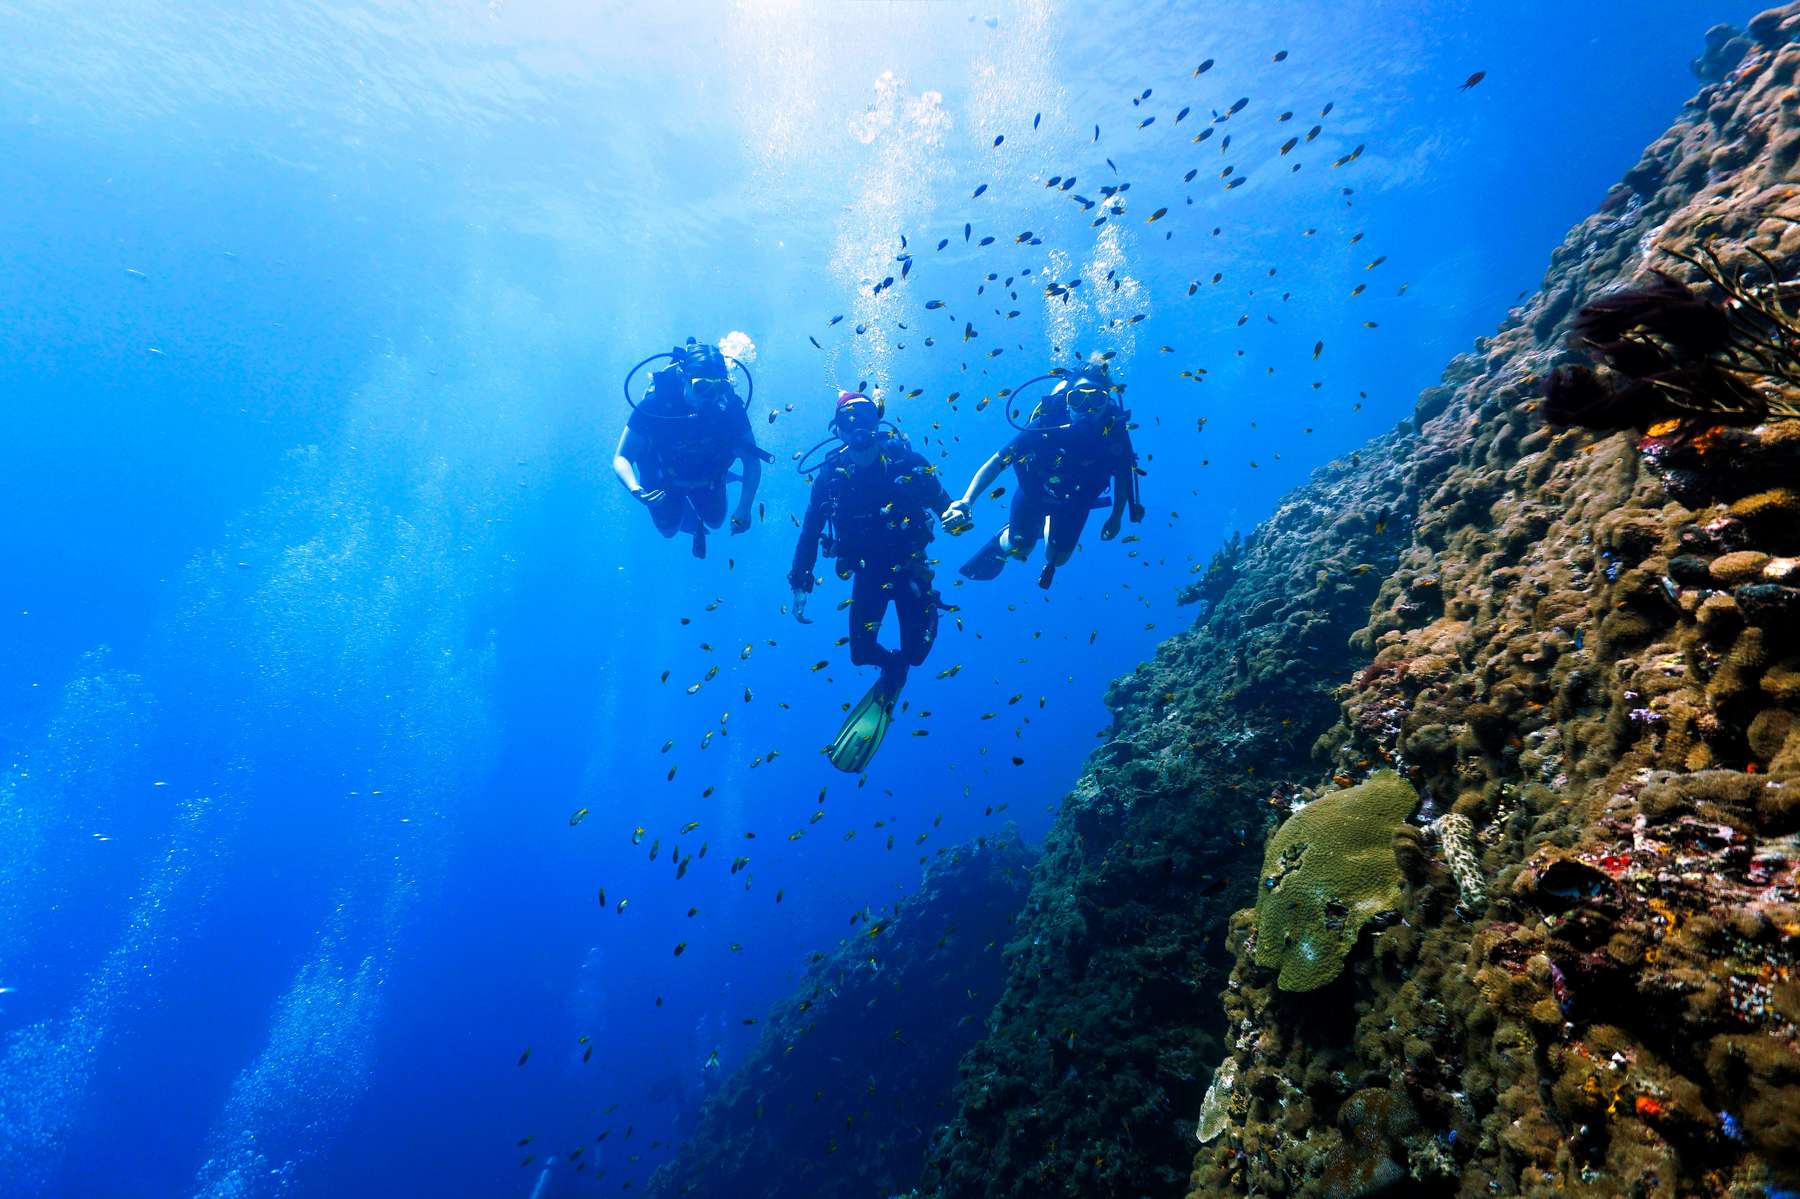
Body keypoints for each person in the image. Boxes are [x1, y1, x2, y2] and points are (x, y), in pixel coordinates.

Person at [788, 391, 953, 773]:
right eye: (848, 421)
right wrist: (800, 582)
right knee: (861, 653)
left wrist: (956, 514)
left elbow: (945, 504)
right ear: (837, 430)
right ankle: (892, 670)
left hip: (910, 568)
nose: (857, 427)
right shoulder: (829, 479)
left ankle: (922, 621)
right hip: (868, 572)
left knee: (917, 654)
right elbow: (809, 532)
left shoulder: (908, 462)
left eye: (863, 417)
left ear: (877, 420)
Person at [945, 363, 1142, 589]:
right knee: (1020, 547)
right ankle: (1006, 538)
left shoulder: (1115, 434)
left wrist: (1116, 517)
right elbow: (997, 462)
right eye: (1078, 398)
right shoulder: (1044, 425)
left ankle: (1045, 525)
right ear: (1066, 401)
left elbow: (1124, 476)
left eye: (1096, 399)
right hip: (1034, 494)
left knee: (1057, 559)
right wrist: (966, 500)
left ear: (1106, 403)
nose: (1086, 408)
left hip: (1076, 502)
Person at [613, 338, 770, 558]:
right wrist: (634, 487)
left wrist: (745, 507)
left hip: (708, 478)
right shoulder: (655, 405)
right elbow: (622, 457)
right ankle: (687, 517)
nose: (710, 397)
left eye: (720, 387)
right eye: (702, 386)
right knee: (668, 531)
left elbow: (752, 460)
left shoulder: (729, 408)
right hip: (662, 482)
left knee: (715, 522)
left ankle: (708, 498)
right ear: (683, 378)